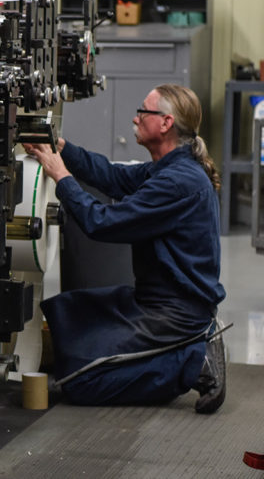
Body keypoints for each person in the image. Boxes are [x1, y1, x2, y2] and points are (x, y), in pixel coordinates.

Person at [23, 84, 226, 413]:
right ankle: (178, 354)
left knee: (80, 381)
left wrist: (61, 177)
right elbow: (112, 177)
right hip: (153, 299)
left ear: (165, 123)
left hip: (174, 314)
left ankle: (192, 361)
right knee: (69, 314)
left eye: (143, 112)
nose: (135, 118)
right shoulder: (171, 167)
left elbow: (101, 222)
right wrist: (59, 147)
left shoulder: (178, 182)